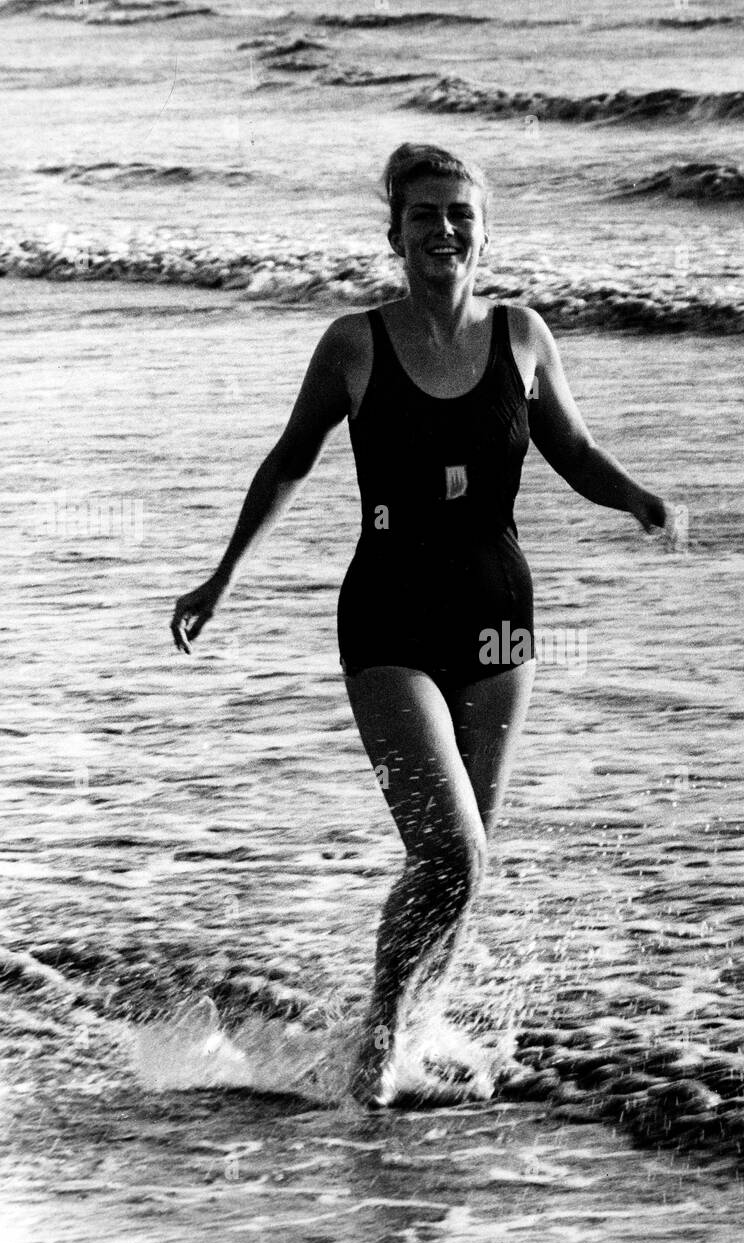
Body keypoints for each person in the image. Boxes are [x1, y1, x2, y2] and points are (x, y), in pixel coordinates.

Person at [171, 143, 671, 1104]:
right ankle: (374, 1063)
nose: (443, 230)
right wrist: (222, 577)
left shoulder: (523, 335)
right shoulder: (355, 344)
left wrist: (641, 500)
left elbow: (573, 449)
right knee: (453, 851)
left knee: (463, 862)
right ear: (393, 231)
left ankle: (407, 1026)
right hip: (389, 616)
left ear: (483, 230)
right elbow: (288, 462)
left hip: (498, 620)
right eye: (423, 214)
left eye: (460, 214)